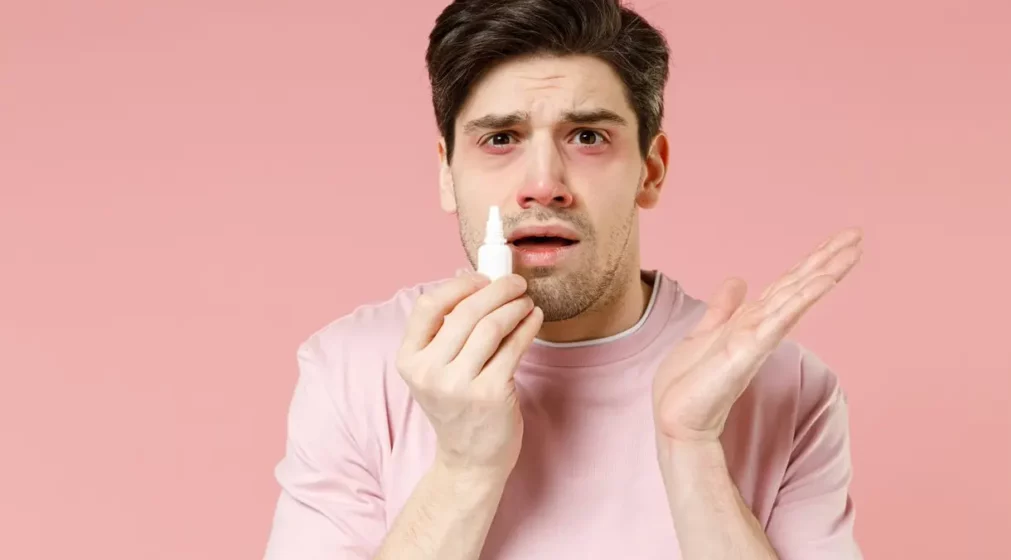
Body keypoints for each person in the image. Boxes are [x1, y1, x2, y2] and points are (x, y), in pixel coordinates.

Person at [263, 0, 864, 558]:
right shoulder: (351, 368)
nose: (543, 182)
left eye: (587, 137)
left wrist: (693, 450)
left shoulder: (785, 387)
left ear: (650, 172)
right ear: (447, 173)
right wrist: (464, 470)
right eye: (501, 139)